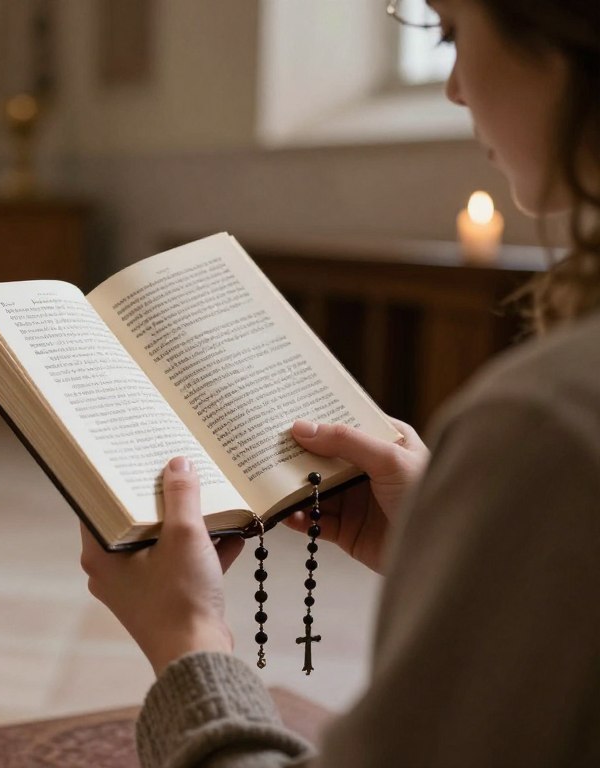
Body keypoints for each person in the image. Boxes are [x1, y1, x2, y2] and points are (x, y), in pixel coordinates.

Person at [80, 1, 600, 765]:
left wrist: (187, 639)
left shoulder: (549, 418)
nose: (454, 88)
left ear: (564, 36)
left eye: (452, 31)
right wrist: (444, 543)